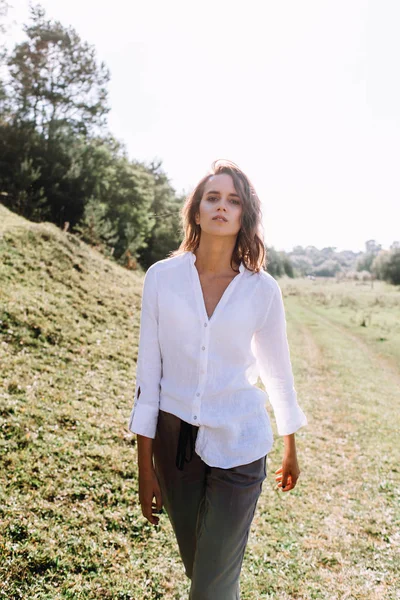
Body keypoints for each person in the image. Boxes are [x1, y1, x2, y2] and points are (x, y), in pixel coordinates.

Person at [128, 159, 307, 599]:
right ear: (196, 210)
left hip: (242, 443)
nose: (222, 206)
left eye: (233, 200)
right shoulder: (161, 279)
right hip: (174, 450)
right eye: (213, 197)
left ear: (245, 215)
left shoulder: (261, 290)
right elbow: (148, 377)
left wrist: (290, 446)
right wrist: (144, 469)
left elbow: (277, 371)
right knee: (206, 571)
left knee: (210, 586)